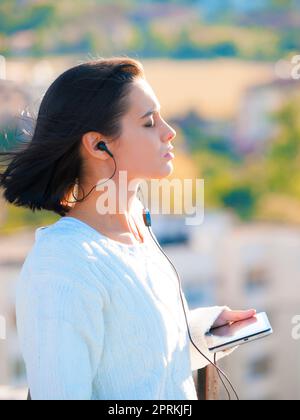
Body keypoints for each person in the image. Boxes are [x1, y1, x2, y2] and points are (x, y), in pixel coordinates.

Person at [0, 57, 256, 400]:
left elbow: (134, 367)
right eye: (149, 122)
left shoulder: (139, 231)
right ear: (97, 145)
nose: (169, 131)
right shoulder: (62, 265)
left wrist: (201, 331)